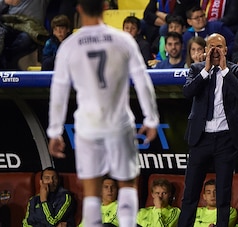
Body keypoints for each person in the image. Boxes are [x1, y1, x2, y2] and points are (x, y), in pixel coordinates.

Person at [46, 1, 160, 227]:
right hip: (119, 123)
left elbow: (59, 91)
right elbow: (142, 81)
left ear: (78, 8)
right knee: (127, 185)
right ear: (106, 7)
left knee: (91, 192)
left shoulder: (69, 45)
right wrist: (151, 118)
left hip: (88, 126)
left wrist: (55, 131)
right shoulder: (123, 40)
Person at [178, 33, 238, 227]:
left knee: (223, 193)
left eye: (219, 47)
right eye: (211, 47)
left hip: (226, 139)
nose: (215, 50)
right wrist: (206, 70)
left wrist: (225, 70)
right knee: (190, 192)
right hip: (200, 139)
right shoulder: (196, 69)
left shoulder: (235, 70)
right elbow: (187, 92)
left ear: (226, 50)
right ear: (206, 50)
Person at [0, 0, 50, 70]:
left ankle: (7, 66)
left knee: (25, 39)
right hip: (9, 21)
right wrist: (5, 2)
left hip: (29, 25)